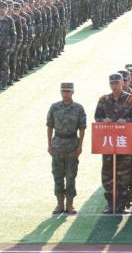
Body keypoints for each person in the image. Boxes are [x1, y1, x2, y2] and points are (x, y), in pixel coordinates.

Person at [94, 72, 132, 214]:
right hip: (109, 144)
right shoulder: (104, 100)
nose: (114, 86)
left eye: (117, 83)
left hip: (125, 143)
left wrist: (126, 121)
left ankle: (122, 204)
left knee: (124, 175)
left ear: (122, 83)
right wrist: (103, 121)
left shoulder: (131, 99)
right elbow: (97, 117)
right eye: (112, 83)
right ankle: (111, 204)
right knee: (108, 174)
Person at [46, 82, 86, 215]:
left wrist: (80, 146)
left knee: (70, 177)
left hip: (72, 146)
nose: (66, 93)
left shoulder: (78, 108)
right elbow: (50, 126)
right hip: (57, 145)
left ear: (73, 92)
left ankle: (69, 204)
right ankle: (59, 204)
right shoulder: (54, 107)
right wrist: (49, 144)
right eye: (63, 91)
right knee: (57, 176)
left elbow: (82, 128)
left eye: (68, 91)